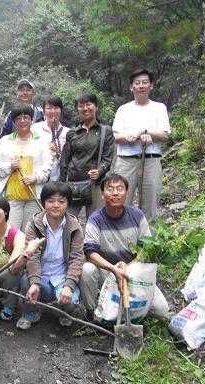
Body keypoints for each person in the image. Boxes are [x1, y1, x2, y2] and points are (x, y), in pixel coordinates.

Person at [79, 172, 169, 319]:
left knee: (161, 310)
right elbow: (90, 253)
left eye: (120, 189)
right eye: (110, 189)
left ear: (126, 193)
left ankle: (136, 315)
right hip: (107, 271)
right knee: (87, 269)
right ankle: (92, 314)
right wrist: (113, 269)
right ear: (103, 195)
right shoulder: (95, 220)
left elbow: (146, 248)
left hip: (133, 271)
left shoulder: (137, 216)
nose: (115, 193)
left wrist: (129, 270)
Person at [16, 182, 84, 330]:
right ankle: (31, 313)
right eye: (51, 201)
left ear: (68, 203)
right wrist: (35, 282)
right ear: (43, 203)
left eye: (61, 201)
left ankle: (63, 312)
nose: (56, 205)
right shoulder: (34, 225)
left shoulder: (74, 227)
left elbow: (77, 258)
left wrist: (69, 285)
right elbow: (33, 257)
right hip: (42, 277)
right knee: (27, 281)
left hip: (62, 277)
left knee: (70, 301)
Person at [112, 68, 170, 225]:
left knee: (150, 203)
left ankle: (147, 238)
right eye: (137, 83)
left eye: (145, 82)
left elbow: (164, 135)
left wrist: (145, 133)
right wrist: (128, 138)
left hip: (151, 159)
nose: (141, 86)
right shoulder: (123, 109)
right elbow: (116, 136)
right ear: (131, 87)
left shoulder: (159, 108)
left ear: (151, 85)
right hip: (126, 161)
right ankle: (121, 236)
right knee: (120, 201)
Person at [0, 103, 52, 231]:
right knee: (11, 232)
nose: (22, 121)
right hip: (11, 198)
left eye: (26, 117)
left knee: (31, 233)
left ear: (31, 119)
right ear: (14, 122)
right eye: (18, 118)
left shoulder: (41, 141)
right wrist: (9, 167)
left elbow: (47, 167)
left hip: (34, 197)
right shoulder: (5, 141)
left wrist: (35, 178)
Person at [61, 91, 115, 221]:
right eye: (81, 106)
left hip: (95, 184)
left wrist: (99, 171)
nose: (85, 108)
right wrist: (62, 185)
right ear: (77, 109)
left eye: (88, 104)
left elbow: (107, 158)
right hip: (73, 184)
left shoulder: (105, 131)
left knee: (95, 222)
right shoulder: (72, 133)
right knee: (68, 222)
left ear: (96, 106)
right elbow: (65, 160)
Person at [31, 96, 69, 182]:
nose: (52, 111)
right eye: (49, 108)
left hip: (58, 178)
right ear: (44, 111)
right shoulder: (34, 129)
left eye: (56, 108)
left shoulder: (67, 133)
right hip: (37, 176)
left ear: (61, 110)